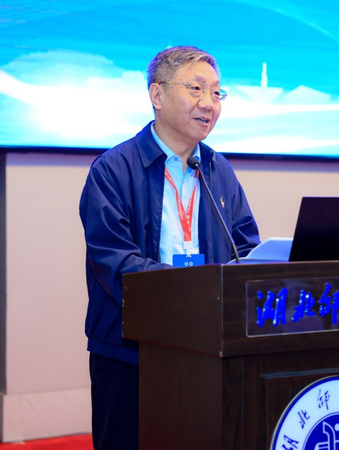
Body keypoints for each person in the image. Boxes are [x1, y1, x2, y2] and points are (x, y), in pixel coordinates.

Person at [79, 46, 260, 450]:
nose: (209, 103)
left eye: (216, 93)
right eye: (196, 89)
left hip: (206, 349)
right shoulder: (112, 170)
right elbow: (115, 263)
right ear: (157, 95)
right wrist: (197, 291)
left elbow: (246, 249)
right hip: (131, 354)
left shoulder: (218, 170)